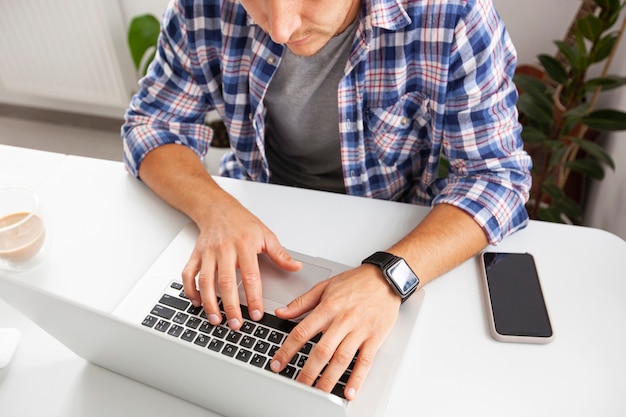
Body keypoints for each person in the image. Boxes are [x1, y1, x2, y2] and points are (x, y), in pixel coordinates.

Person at [122, 0, 531, 401]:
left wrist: (389, 277)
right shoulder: (202, 6)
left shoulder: (453, 13)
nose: (281, 29)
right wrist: (217, 210)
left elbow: (496, 177)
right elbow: (153, 124)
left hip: (395, 235)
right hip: (251, 211)